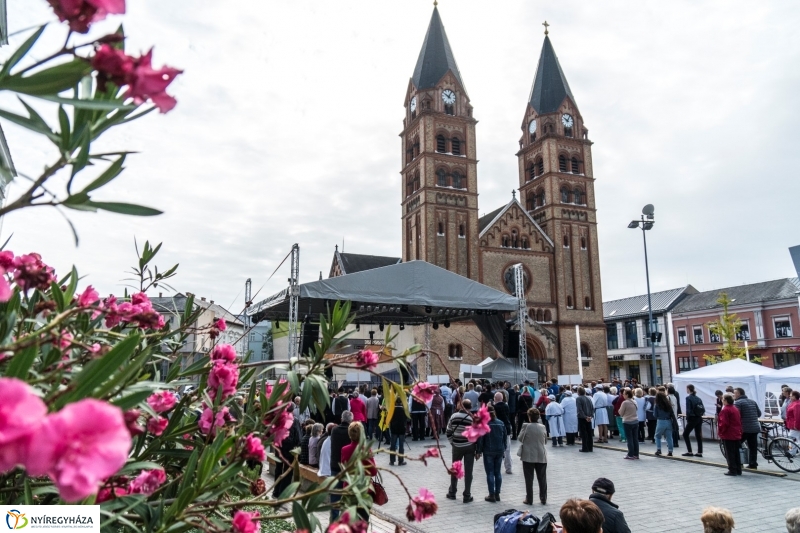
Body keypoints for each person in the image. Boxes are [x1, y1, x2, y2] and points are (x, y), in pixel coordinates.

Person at [340, 422, 377, 522]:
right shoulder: (366, 450)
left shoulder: (344, 449)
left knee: (349, 522)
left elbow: (344, 470)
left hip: (349, 488)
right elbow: (373, 472)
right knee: (362, 522)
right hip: (363, 490)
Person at [445, 398, 476, 503]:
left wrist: (452, 442)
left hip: (457, 447)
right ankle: (467, 495)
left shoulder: (453, 416)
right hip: (469, 447)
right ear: (470, 407)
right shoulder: (472, 418)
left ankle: (452, 492)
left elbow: (448, 431)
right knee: (469, 471)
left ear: (460, 406)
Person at [476, 405, 507, 502]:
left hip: (488, 451)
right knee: (498, 472)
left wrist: (478, 451)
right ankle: (497, 493)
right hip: (499, 450)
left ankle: (491, 494)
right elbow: (505, 438)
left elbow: (481, 439)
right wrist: (504, 448)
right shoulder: (501, 423)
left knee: (490, 473)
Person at [518, 408, 547, 505]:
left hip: (528, 456)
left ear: (529, 417)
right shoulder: (543, 427)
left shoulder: (526, 426)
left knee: (529, 479)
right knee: (542, 478)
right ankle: (543, 498)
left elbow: (520, 438)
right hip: (541, 455)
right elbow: (545, 441)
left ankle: (529, 498)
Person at [272, 403, 302, 498]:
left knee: (278, 469)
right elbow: (298, 437)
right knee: (288, 471)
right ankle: (283, 493)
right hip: (290, 449)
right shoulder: (295, 420)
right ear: (293, 410)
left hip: (279, 447)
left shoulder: (279, 419)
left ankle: (276, 491)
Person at [329, 410, 353, 520]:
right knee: (348, 497)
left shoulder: (334, 430)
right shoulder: (351, 432)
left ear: (341, 419)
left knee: (335, 497)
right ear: (351, 420)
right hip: (348, 468)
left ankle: (334, 522)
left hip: (335, 466)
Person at [733, 387, 761, 469]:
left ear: (738, 394)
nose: (734, 395)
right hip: (754, 427)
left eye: (734, 393)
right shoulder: (753, 401)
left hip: (744, 428)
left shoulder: (738, 403)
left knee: (737, 444)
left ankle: (739, 462)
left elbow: (736, 416)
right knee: (753, 447)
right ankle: (753, 463)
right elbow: (759, 414)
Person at [718, 393, 742, 476]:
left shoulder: (725, 410)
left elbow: (724, 423)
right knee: (736, 452)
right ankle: (738, 469)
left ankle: (732, 469)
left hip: (728, 433)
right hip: (736, 432)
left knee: (729, 453)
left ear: (725, 400)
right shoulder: (735, 409)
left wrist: (721, 432)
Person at [493, 392, 514, 474]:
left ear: (495, 398)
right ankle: (509, 468)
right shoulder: (506, 406)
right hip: (507, 428)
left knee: (497, 449)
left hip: (498, 429)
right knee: (507, 449)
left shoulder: (494, 407)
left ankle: (496, 467)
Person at [683, 384, 705, 457]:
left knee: (685, 434)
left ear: (688, 389)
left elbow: (688, 409)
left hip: (692, 418)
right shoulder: (698, 398)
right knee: (698, 435)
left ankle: (689, 451)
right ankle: (699, 452)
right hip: (699, 417)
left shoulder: (688, 398)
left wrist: (688, 417)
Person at [618, 389, 639, 460]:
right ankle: (636, 454)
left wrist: (619, 411)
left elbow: (620, 413)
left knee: (629, 438)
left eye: (624, 394)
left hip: (627, 421)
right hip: (635, 421)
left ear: (627, 395)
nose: (623, 395)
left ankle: (630, 454)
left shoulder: (625, 403)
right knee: (635, 438)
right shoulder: (634, 401)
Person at [388, 396, 408, 466]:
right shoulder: (404, 410)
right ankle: (400, 460)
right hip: (402, 429)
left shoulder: (392, 410)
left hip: (394, 429)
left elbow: (389, 419)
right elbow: (407, 419)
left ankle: (392, 460)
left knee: (393, 445)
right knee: (401, 445)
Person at [654, 390, 674, 456]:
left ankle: (659, 449)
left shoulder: (657, 405)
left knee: (657, 436)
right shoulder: (668, 404)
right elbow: (671, 413)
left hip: (661, 421)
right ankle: (670, 451)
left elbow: (655, 415)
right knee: (669, 437)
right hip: (668, 421)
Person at [576, 387, 594, 452]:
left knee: (583, 433)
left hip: (582, 418)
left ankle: (585, 448)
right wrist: (590, 416)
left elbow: (580, 409)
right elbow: (592, 408)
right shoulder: (588, 398)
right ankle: (590, 447)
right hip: (589, 417)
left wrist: (585, 417)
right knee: (589, 433)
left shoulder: (578, 399)